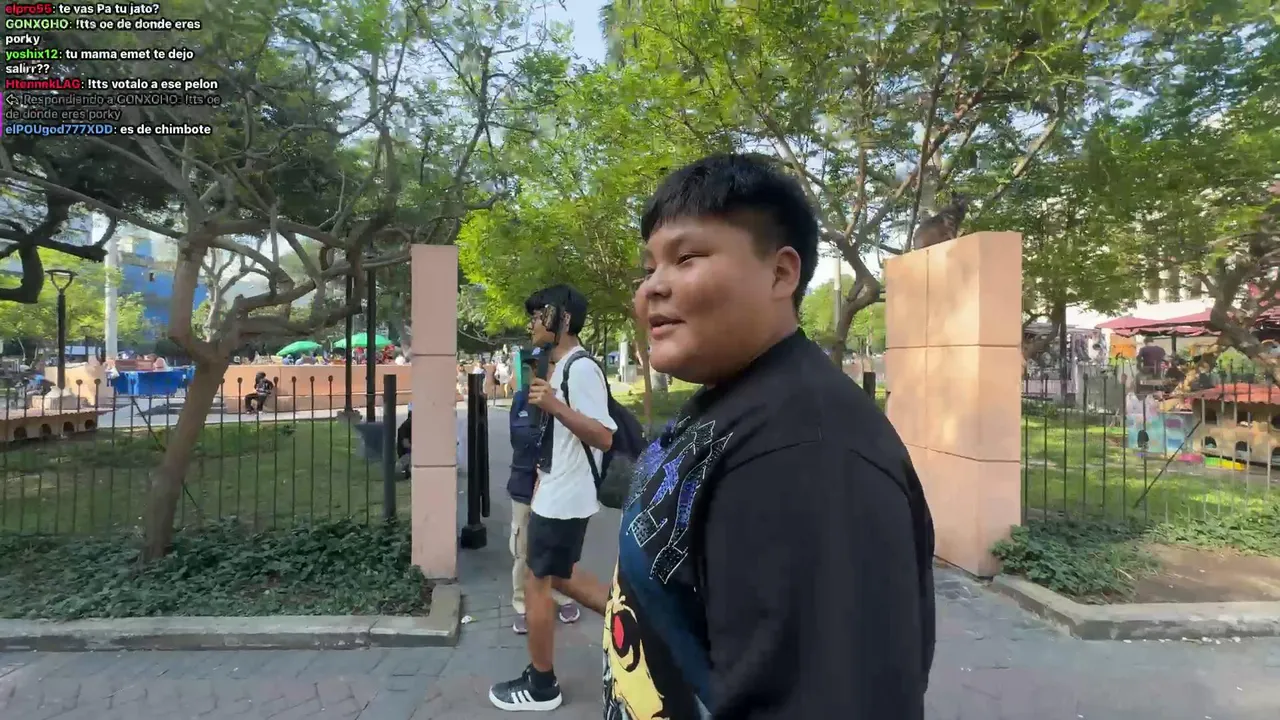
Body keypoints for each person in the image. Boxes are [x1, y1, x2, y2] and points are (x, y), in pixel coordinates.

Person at [602, 154, 936, 718]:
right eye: (650, 266)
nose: (652, 288)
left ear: (781, 273)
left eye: (686, 258)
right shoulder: (733, 399)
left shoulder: (807, 454)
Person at [487, 284, 616, 712]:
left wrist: (556, 406)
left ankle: (542, 685)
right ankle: (638, 621)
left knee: (537, 582)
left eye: (539, 314)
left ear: (563, 319)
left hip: (566, 499)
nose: (531, 322)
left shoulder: (581, 368)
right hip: (554, 491)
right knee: (557, 576)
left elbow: (604, 435)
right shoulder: (558, 366)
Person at [506, 349, 580, 636]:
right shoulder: (520, 401)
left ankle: (560, 595)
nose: (534, 373)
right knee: (522, 548)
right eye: (530, 368)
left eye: (541, 367)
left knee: (555, 545)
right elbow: (519, 438)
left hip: (555, 485)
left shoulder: (562, 401)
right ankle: (522, 605)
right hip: (524, 485)